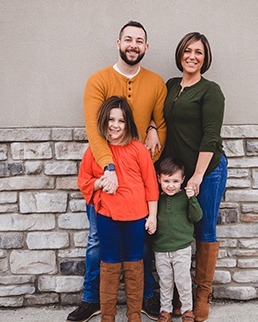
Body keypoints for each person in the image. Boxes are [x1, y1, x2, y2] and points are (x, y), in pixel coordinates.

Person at [66, 21, 166, 322]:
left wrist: (149, 137)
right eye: (128, 39)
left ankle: (145, 299)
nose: (133, 45)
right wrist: (108, 168)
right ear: (118, 42)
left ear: (146, 47)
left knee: (143, 244)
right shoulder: (98, 80)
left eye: (139, 41)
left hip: (136, 181)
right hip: (105, 177)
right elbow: (95, 130)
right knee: (98, 241)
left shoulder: (156, 82)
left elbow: (160, 126)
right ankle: (92, 300)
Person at [159, 32, 228, 322]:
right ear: (180, 54)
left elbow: (210, 137)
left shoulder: (211, 90)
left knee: (204, 230)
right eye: (188, 50)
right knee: (175, 230)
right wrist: (152, 127)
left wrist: (197, 177)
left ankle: (201, 294)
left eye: (198, 52)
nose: (192, 56)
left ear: (205, 58)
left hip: (207, 171)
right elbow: (160, 117)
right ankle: (178, 294)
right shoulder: (171, 86)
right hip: (178, 174)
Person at [77, 96, 159, 321]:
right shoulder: (96, 151)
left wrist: (152, 216)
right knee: (109, 264)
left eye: (121, 121)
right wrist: (99, 183)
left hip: (136, 216)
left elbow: (151, 184)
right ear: (104, 121)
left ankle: (134, 316)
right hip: (107, 215)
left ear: (128, 123)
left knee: (134, 264)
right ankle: (108, 316)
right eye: (111, 119)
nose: (115, 125)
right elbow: (84, 180)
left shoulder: (138, 150)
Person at [153, 157, 202, 322]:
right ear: (159, 179)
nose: (171, 185)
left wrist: (192, 199)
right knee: (165, 282)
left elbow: (197, 217)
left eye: (175, 181)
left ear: (182, 180)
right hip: (161, 248)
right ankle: (165, 311)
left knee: (182, 281)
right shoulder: (156, 199)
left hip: (181, 248)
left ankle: (187, 309)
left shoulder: (184, 198)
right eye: (166, 180)